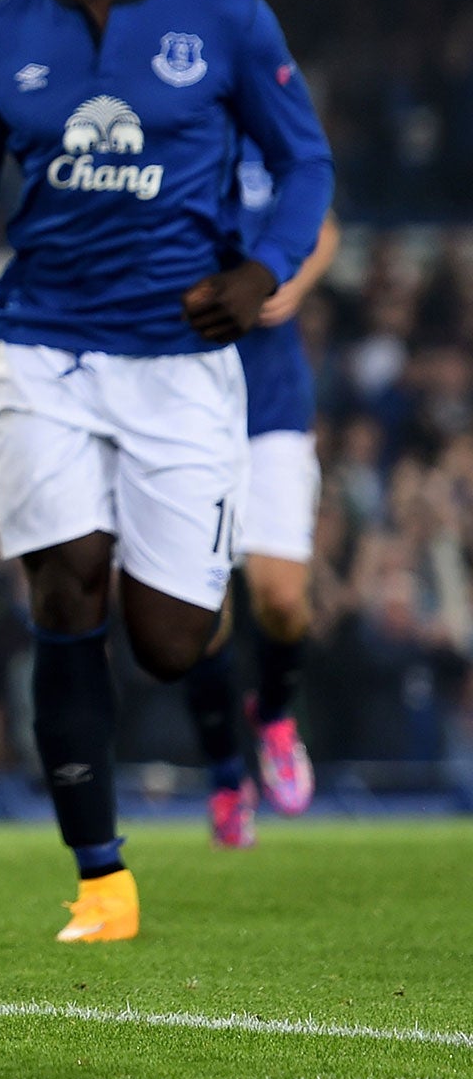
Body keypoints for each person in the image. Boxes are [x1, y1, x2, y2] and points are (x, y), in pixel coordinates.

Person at [0, 0, 333, 943]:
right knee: (65, 584)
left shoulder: (224, 15)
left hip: (182, 363)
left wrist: (265, 271)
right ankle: (101, 879)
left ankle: (224, 711)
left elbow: (304, 161)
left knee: (167, 639)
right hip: (40, 347)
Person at [184, 189, 338, 848]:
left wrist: (290, 285)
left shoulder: (266, 133)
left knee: (282, 600)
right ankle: (225, 775)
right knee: (197, 615)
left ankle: (273, 715)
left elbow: (324, 228)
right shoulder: (163, 132)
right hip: (184, 414)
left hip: (271, 408)